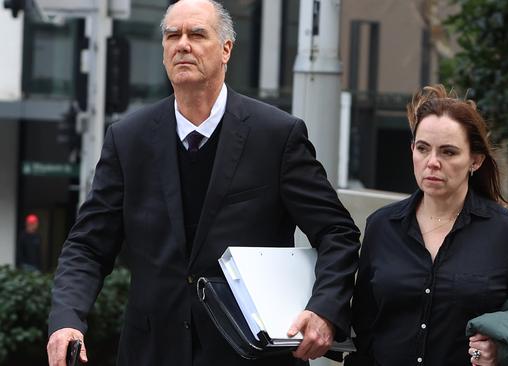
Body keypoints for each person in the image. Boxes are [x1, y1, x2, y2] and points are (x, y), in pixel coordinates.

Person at [46, 1, 360, 365]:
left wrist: (324, 308)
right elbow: (87, 245)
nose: (182, 44)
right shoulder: (128, 139)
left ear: (226, 49)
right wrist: (66, 321)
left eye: (196, 34)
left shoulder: (276, 136)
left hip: (250, 353)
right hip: (152, 351)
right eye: (172, 35)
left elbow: (337, 232)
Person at [345, 85, 508, 366]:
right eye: (423, 149)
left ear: (475, 160)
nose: (432, 162)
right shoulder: (382, 226)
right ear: (412, 150)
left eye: (448, 152)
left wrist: (504, 350)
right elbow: (365, 329)